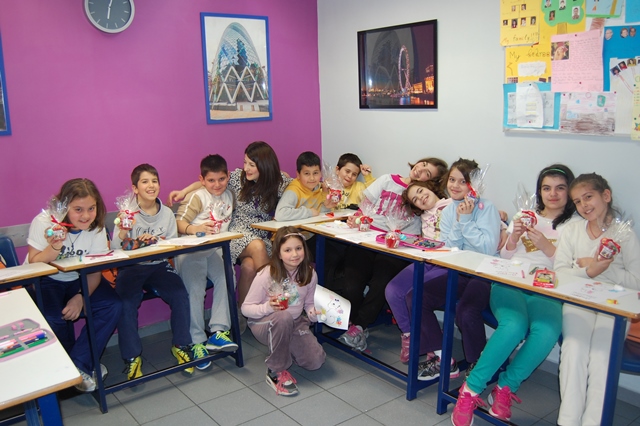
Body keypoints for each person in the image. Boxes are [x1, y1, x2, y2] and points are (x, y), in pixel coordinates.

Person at [451, 164, 578, 425]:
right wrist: (513, 238)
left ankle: (506, 387)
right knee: (514, 325)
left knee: (548, 330)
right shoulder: (525, 215)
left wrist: (547, 248)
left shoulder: (576, 226)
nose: (553, 194)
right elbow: (505, 256)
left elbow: (573, 269)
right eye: (547, 188)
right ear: (539, 191)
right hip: (511, 281)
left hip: (548, 288)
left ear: (569, 191)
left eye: (560, 188)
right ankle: (470, 390)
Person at [330, 157, 449, 351]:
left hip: (394, 247)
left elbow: (424, 228)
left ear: (430, 183)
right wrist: (357, 219)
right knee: (352, 283)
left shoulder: (420, 200)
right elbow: (364, 207)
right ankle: (353, 321)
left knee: (381, 282)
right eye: (423, 165)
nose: (420, 171)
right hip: (366, 238)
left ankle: (359, 326)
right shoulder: (387, 180)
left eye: (427, 174)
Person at [555, 173, 640, 425]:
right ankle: (568, 421)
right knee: (574, 350)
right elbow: (559, 274)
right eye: (578, 201)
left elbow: (636, 282)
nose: (584, 205)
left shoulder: (625, 234)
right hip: (578, 299)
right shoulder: (572, 231)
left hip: (616, 305)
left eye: (588, 197)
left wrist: (604, 269)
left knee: (603, 358)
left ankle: (594, 421)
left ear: (606, 195)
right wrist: (589, 271)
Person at [168, 142, 292, 310]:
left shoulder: (280, 182)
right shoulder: (238, 177)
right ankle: (276, 298)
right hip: (236, 233)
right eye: (245, 162)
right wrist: (183, 192)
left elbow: (299, 189)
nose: (246, 168)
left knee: (249, 266)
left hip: (263, 235)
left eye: (251, 164)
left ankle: (245, 313)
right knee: (257, 247)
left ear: (264, 165)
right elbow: (209, 181)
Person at [26, 178, 122, 392]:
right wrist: (55, 247)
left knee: (112, 305)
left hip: (80, 277)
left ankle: (78, 365)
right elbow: (34, 263)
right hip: (45, 277)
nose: (86, 215)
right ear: (64, 206)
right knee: (54, 317)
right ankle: (72, 367)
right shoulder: (44, 222)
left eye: (91, 208)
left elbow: (94, 270)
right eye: (78, 209)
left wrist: (80, 297)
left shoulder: (96, 228)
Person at [414, 158, 501, 382]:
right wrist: (459, 220)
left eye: (463, 182)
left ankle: (479, 365)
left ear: (473, 185)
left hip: (484, 274)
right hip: (458, 271)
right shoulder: (448, 210)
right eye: (452, 180)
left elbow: (487, 250)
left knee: (466, 310)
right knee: (416, 296)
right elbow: (450, 248)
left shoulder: (487, 208)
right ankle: (443, 358)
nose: (455, 186)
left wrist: (466, 221)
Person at [112, 164, 193, 379]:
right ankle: (132, 357)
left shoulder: (166, 214)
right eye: (145, 182)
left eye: (154, 181)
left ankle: (181, 345)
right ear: (135, 188)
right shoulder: (127, 213)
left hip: (158, 265)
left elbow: (173, 244)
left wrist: (155, 241)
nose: (151, 186)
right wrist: (125, 233)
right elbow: (115, 248)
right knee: (126, 302)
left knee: (179, 294)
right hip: (131, 268)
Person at [241, 227, 325, 396]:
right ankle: (275, 369)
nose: (294, 254)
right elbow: (246, 308)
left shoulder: (310, 273)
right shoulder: (266, 274)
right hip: (264, 322)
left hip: (294, 322)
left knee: (315, 361)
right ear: (278, 254)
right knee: (283, 317)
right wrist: (268, 307)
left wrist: (313, 313)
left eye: (298, 248)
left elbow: (309, 304)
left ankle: (284, 348)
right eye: (287, 250)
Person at [174, 154, 238, 370]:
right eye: (211, 180)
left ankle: (218, 331)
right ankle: (197, 341)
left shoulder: (230, 195)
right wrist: (195, 229)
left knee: (227, 277)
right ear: (202, 180)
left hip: (213, 251)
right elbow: (178, 223)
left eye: (221, 179)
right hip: (190, 251)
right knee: (195, 289)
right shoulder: (198, 197)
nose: (217, 185)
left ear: (227, 177)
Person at [385, 180, 451, 362]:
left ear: (430, 188)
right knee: (393, 290)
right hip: (427, 261)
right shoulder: (423, 217)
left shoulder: (452, 204)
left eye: (421, 191)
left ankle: (430, 339)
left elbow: (483, 216)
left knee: (415, 294)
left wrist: (501, 222)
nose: (421, 197)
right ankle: (409, 335)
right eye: (415, 199)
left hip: (448, 264)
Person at [274, 151, 336, 220]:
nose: (312, 178)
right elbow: (280, 215)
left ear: (320, 173)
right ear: (298, 175)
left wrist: (326, 207)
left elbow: (316, 212)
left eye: (315, 173)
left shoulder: (317, 187)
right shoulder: (293, 191)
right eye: (307, 173)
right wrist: (309, 212)